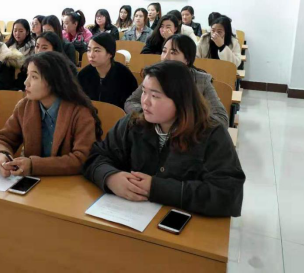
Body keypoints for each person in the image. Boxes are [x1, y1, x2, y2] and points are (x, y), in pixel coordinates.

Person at [83, 60, 245, 217]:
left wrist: (156, 188)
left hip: (188, 226)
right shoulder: (133, 124)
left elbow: (229, 194)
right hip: (131, 218)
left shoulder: (212, 134)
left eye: (155, 95)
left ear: (181, 100)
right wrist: (110, 177)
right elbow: (96, 156)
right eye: (144, 92)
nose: (145, 102)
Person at [0, 51, 102, 177]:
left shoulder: (80, 112)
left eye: (34, 77)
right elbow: (3, 139)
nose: (26, 82)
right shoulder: (24, 106)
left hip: (69, 182)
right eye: (27, 75)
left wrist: (34, 165)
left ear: (53, 82)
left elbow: (82, 159)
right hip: (33, 181)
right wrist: (1, 155)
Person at [125, 34, 229, 128]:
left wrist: (180, 119)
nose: (165, 57)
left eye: (173, 52)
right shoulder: (154, 76)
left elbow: (221, 119)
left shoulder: (201, 80)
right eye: (164, 51)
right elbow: (131, 102)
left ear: (187, 59)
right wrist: (149, 112)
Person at [78, 33, 137, 110]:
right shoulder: (83, 75)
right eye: (89, 50)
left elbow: (130, 104)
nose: (91, 55)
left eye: (97, 51)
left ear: (110, 54)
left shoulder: (125, 76)